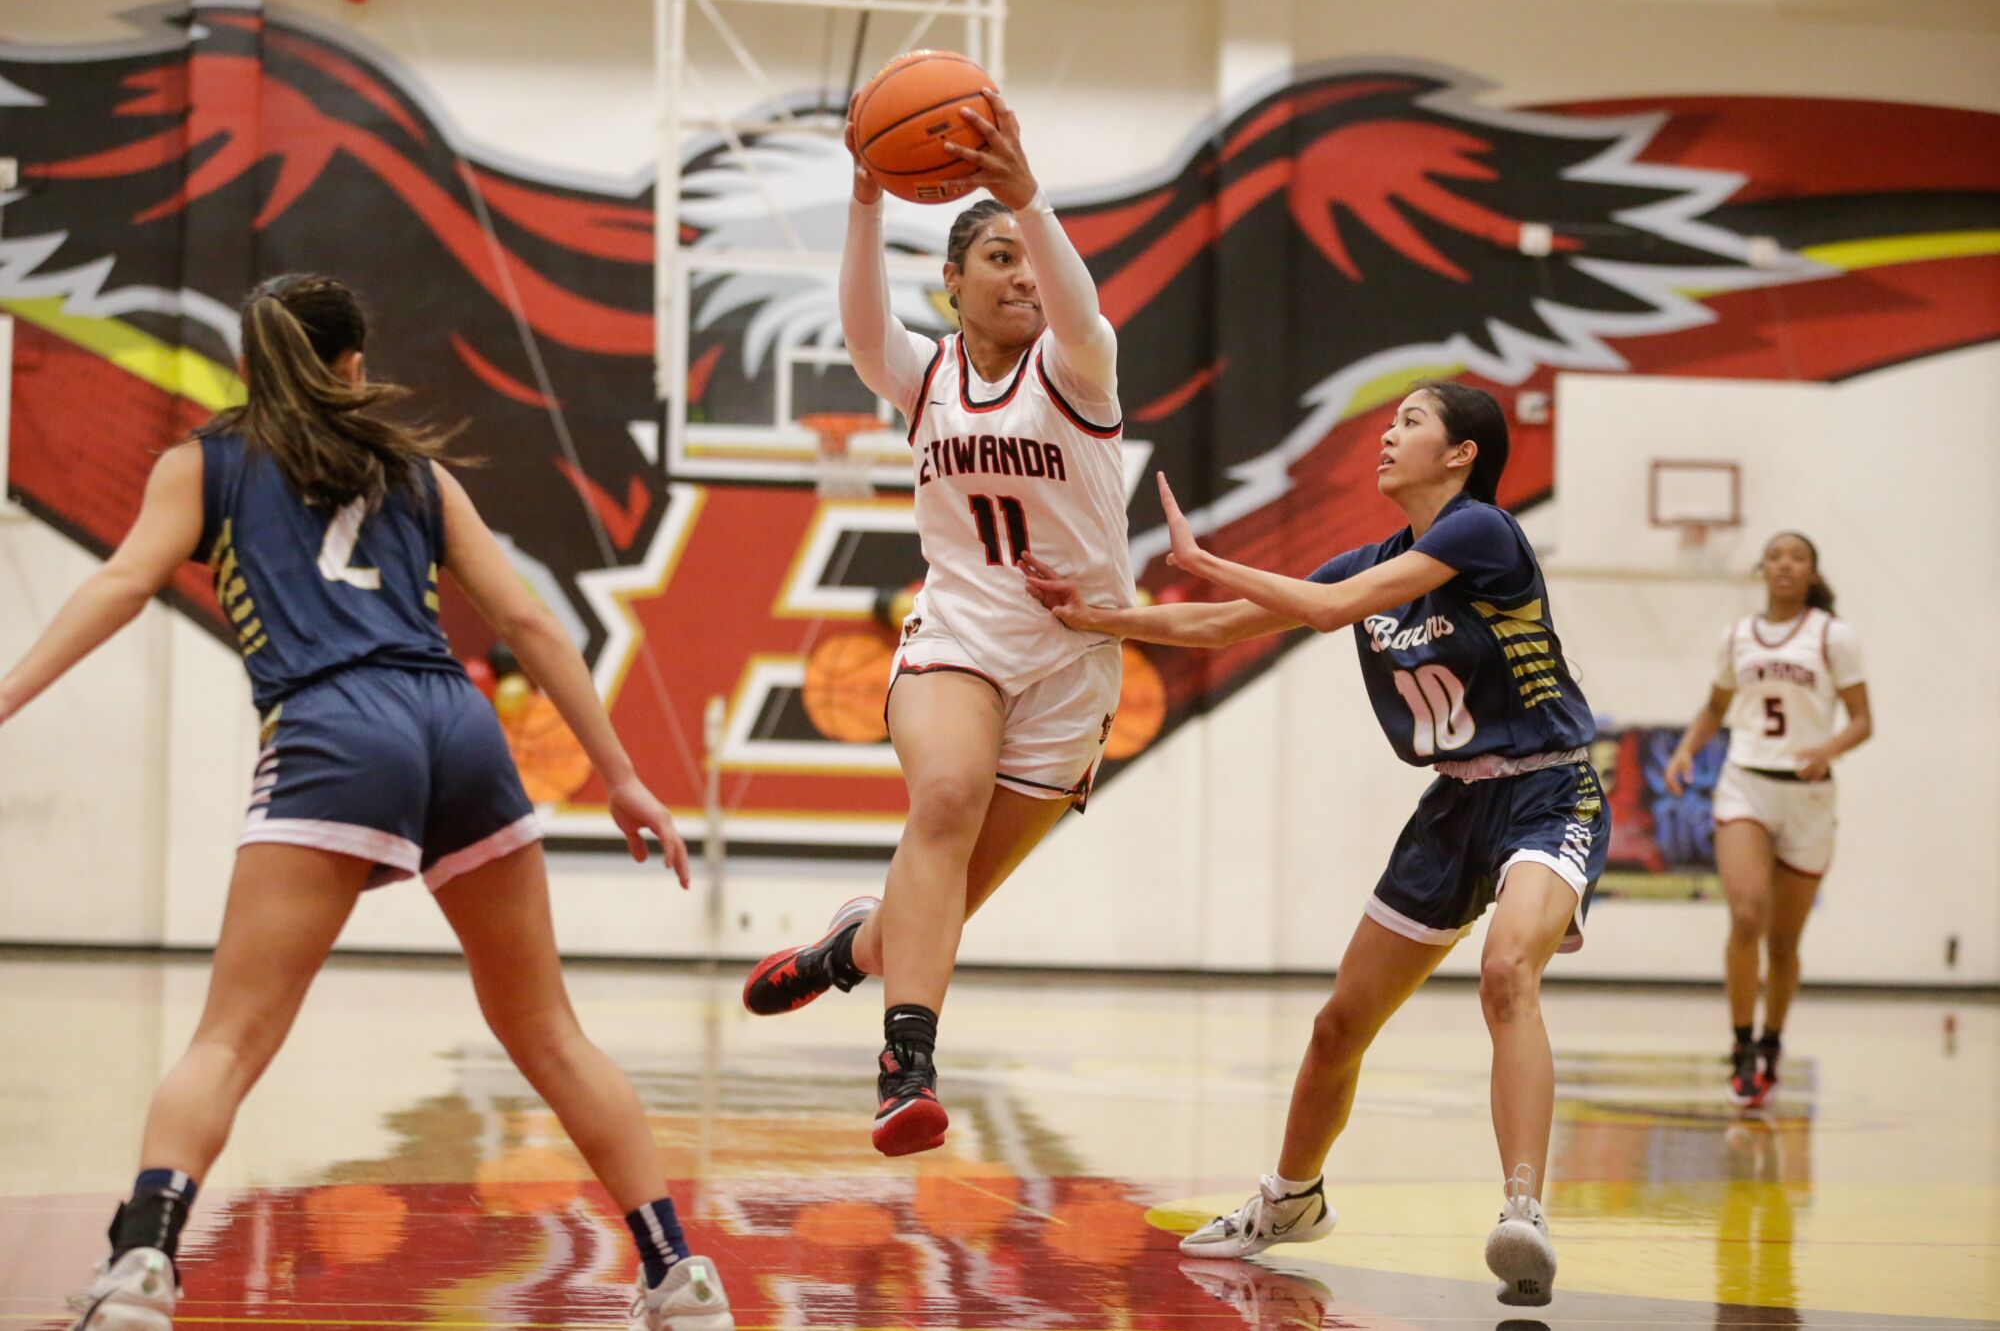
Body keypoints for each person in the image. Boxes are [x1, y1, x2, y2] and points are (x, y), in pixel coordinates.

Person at [0, 275, 733, 1331]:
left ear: (253, 366)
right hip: (460, 723)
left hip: (335, 727)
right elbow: (525, 619)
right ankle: (678, 1273)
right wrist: (619, 773)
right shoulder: (416, 472)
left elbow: (121, 583)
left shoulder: (201, 466)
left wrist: (12, 691)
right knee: (549, 1032)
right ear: (352, 366)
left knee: (230, 1038)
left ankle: (142, 1266)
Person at [1019, 383, 1605, 1308]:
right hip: (1453, 807)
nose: (1388, 433)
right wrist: (1100, 618)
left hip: (1548, 786)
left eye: (1411, 421)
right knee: (1339, 1024)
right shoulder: (1372, 559)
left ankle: (1524, 1210)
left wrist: (1206, 557)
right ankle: (1291, 1197)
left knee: (1506, 972)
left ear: (1460, 454)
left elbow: (1333, 611)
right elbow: (1221, 626)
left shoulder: (1484, 530)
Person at [739, 88, 1134, 1159]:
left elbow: (1083, 307)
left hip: (1073, 667)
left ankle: (843, 951)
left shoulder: (1074, 368)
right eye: (993, 258)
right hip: (958, 635)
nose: (1018, 275)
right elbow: (862, 324)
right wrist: (864, 198)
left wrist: (1028, 201)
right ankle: (904, 1066)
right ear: (950, 283)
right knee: (946, 796)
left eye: (1025, 259)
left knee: (939, 898)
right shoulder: (925, 378)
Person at [1663, 532, 1870, 1109]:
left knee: (1784, 941)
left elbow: (1862, 720)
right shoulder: (1737, 637)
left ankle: (1773, 1042)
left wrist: (1828, 748)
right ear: (1763, 569)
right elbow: (1715, 706)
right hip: (1746, 785)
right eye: (1776, 556)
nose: (1785, 564)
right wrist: (1685, 750)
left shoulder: (1833, 636)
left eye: (1797, 556)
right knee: (1747, 913)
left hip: (1808, 798)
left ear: (1811, 571)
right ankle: (1741, 1046)